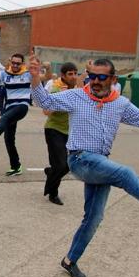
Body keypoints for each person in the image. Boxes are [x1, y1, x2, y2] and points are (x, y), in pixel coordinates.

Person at [29, 56, 139, 277]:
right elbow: (45, 102)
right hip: (80, 160)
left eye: (102, 77)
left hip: (101, 164)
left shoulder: (119, 103)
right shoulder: (76, 96)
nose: (96, 81)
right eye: (92, 77)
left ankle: (70, 260)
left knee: (94, 217)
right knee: (125, 174)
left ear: (112, 78)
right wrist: (35, 79)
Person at [42, 62, 80, 205]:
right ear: (63, 75)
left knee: (69, 164)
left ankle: (50, 173)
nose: (74, 76)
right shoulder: (56, 88)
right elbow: (46, 112)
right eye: (70, 74)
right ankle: (53, 193)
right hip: (54, 129)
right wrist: (62, 97)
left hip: (69, 132)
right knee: (61, 165)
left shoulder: (76, 90)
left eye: (75, 73)